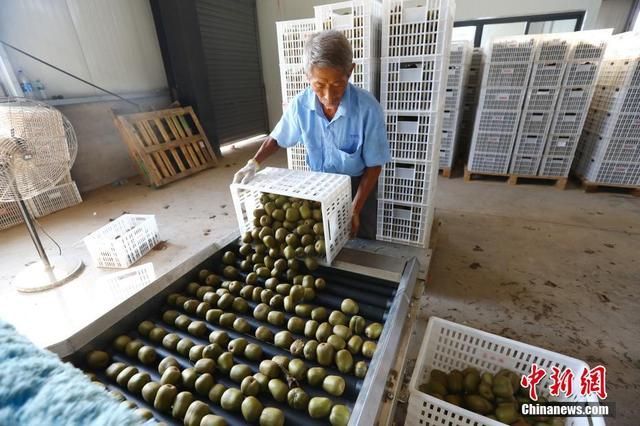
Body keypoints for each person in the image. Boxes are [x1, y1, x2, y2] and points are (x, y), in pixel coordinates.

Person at [233, 30, 390, 239]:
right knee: (324, 239)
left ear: (350, 71)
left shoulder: (368, 109)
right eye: (319, 85)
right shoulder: (300, 104)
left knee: (360, 240)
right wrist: (254, 162)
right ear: (307, 75)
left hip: (357, 186)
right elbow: (278, 138)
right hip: (320, 185)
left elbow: (374, 165)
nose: (328, 95)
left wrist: (355, 208)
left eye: (337, 84)